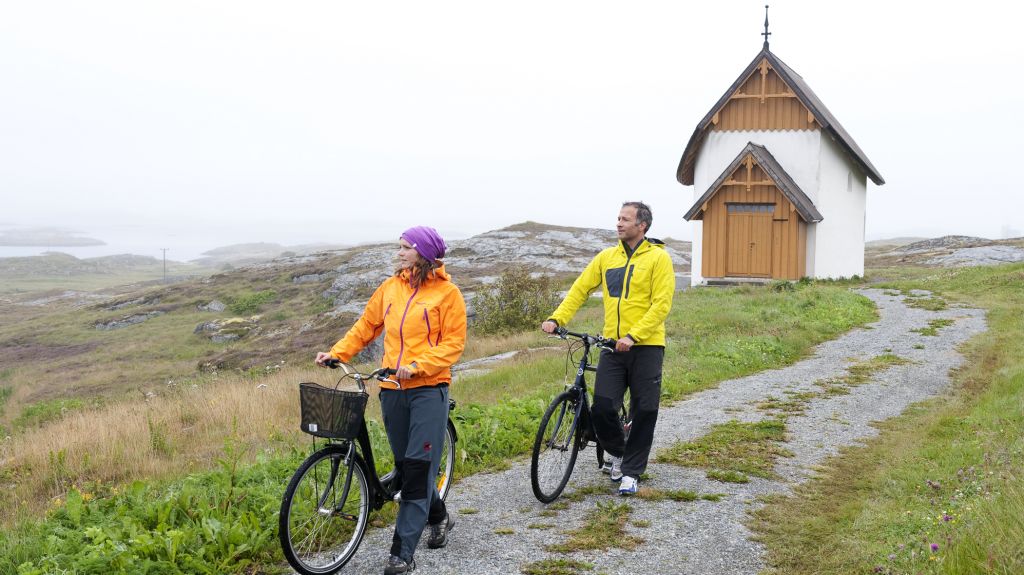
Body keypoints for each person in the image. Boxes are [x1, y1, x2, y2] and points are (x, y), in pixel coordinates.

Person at [316, 225, 466, 575]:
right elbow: (366, 327)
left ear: (423, 253)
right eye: (399, 247)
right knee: (406, 464)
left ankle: (401, 555)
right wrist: (337, 353)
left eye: (405, 247)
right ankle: (440, 516)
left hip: (429, 389)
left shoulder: (448, 294)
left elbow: (453, 345)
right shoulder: (390, 288)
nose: (398, 253)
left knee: (416, 468)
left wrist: (417, 366)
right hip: (392, 391)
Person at [541, 201, 674, 496]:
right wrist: (557, 318)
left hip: (646, 345)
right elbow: (579, 289)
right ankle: (619, 452)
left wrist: (634, 336)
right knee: (602, 407)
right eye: (618, 218)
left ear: (642, 225)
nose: (619, 223)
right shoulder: (606, 258)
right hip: (612, 346)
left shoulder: (658, 259)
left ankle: (631, 472)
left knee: (645, 409)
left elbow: (661, 304)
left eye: (625, 219)